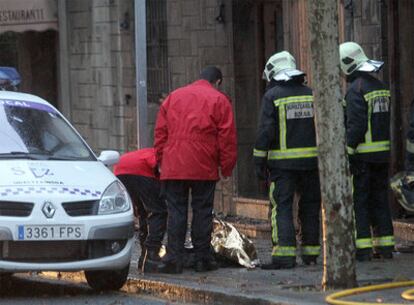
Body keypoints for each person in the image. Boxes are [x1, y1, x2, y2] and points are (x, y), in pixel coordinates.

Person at [154, 66, 237, 274]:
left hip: (174, 164)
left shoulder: (174, 97)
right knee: (202, 211)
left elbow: (160, 133)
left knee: (176, 212)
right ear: (217, 82)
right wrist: (226, 168)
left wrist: (161, 161)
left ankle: (174, 259)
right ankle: (202, 259)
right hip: (203, 164)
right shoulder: (219, 100)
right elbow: (227, 138)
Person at [253, 51, 321, 269]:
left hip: (282, 166)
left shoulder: (273, 97)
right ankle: (311, 253)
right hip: (311, 164)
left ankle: (284, 255)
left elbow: (265, 132)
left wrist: (258, 162)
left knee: (281, 207)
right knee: (310, 206)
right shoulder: (311, 94)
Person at [339, 41, 394, 261]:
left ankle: (362, 249)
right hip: (382, 155)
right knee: (380, 200)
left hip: (362, 157)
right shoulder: (380, 87)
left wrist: (347, 152)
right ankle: (385, 246)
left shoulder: (356, 89)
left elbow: (357, 125)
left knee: (359, 203)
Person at [114, 148, 167, 272]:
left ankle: (144, 255)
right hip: (139, 170)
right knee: (158, 211)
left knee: (142, 212)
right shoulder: (161, 153)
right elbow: (154, 164)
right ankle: (151, 255)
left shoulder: (146, 151)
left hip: (119, 170)